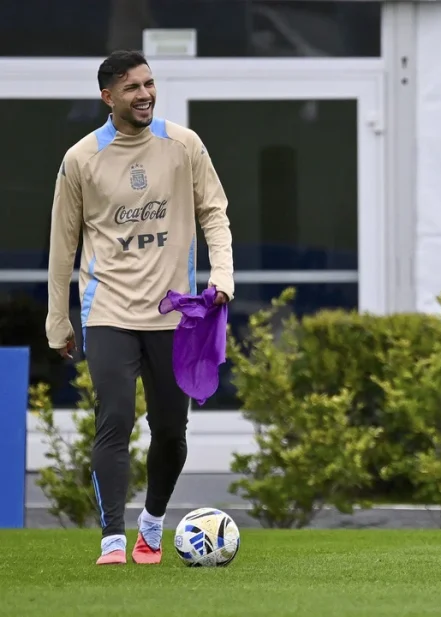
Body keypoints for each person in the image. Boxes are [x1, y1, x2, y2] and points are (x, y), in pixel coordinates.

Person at [45, 50, 235, 566]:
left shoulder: (184, 146)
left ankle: (151, 525)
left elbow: (213, 213)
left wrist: (222, 275)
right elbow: (62, 247)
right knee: (116, 417)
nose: (145, 94)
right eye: (132, 87)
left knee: (172, 430)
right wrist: (57, 318)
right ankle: (111, 537)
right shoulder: (81, 158)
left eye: (149, 83)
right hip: (106, 310)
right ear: (108, 97)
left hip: (175, 315)